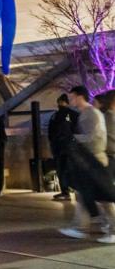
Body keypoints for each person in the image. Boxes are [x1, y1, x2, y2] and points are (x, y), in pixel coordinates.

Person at [60, 86, 115, 243]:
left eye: (72, 97)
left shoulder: (91, 113)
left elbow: (96, 138)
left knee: (103, 197)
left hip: (95, 160)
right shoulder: (86, 113)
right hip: (89, 160)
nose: (70, 100)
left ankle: (109, 229)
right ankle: (81, 227)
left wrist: (74, 139)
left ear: (79, 97)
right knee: (85, 194)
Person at [48, 94, 79, 201]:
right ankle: (69, 190)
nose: (60, 104)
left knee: (63, 169)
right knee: (65, 169)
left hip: (62, 146)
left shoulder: (56, 115)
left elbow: (51, 132)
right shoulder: (72, 114)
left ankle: (66, 191)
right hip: (66, 146)